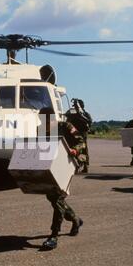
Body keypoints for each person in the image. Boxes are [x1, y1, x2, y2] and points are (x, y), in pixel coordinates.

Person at [38, 107, 84, 250]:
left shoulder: (65, 126)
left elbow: (81, 140)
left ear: (52, 118)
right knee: (53, 198)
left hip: (67, 164)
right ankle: (75, 219)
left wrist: (74, 150)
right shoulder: (40, 129)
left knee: (57, 198)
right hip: (50, 167)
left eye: (46, 121)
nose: (43, 124)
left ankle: (54, 236)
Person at [66, 99, 91, 173]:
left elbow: (89, 122)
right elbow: (67, 120)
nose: (75, 107)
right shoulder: (72, 112)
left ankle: (85, 165)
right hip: (74, 133)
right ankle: (77, 165)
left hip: (82, 133)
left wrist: (81, 116)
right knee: (75, 149)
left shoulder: (85, 114)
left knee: (84, 150)